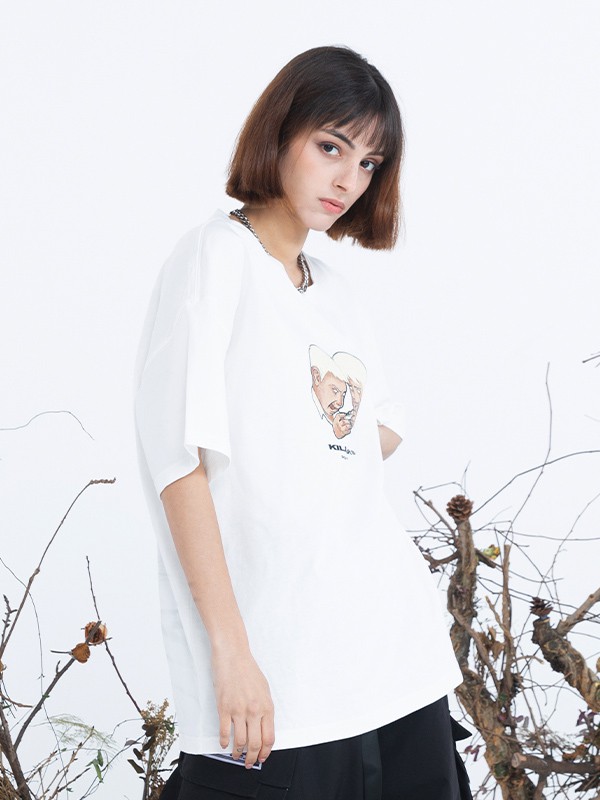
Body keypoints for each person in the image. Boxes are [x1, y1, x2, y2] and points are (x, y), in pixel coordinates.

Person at [133, 45, 472, 800]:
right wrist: (230, 650)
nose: (349, 179)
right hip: (277, 659)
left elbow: (378, 430)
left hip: (393, 653)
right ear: (279, 134)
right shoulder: (214, 258)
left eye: (370, 163)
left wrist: (306, 436)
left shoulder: (336, 292)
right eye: (331, 147)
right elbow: (178, 461)